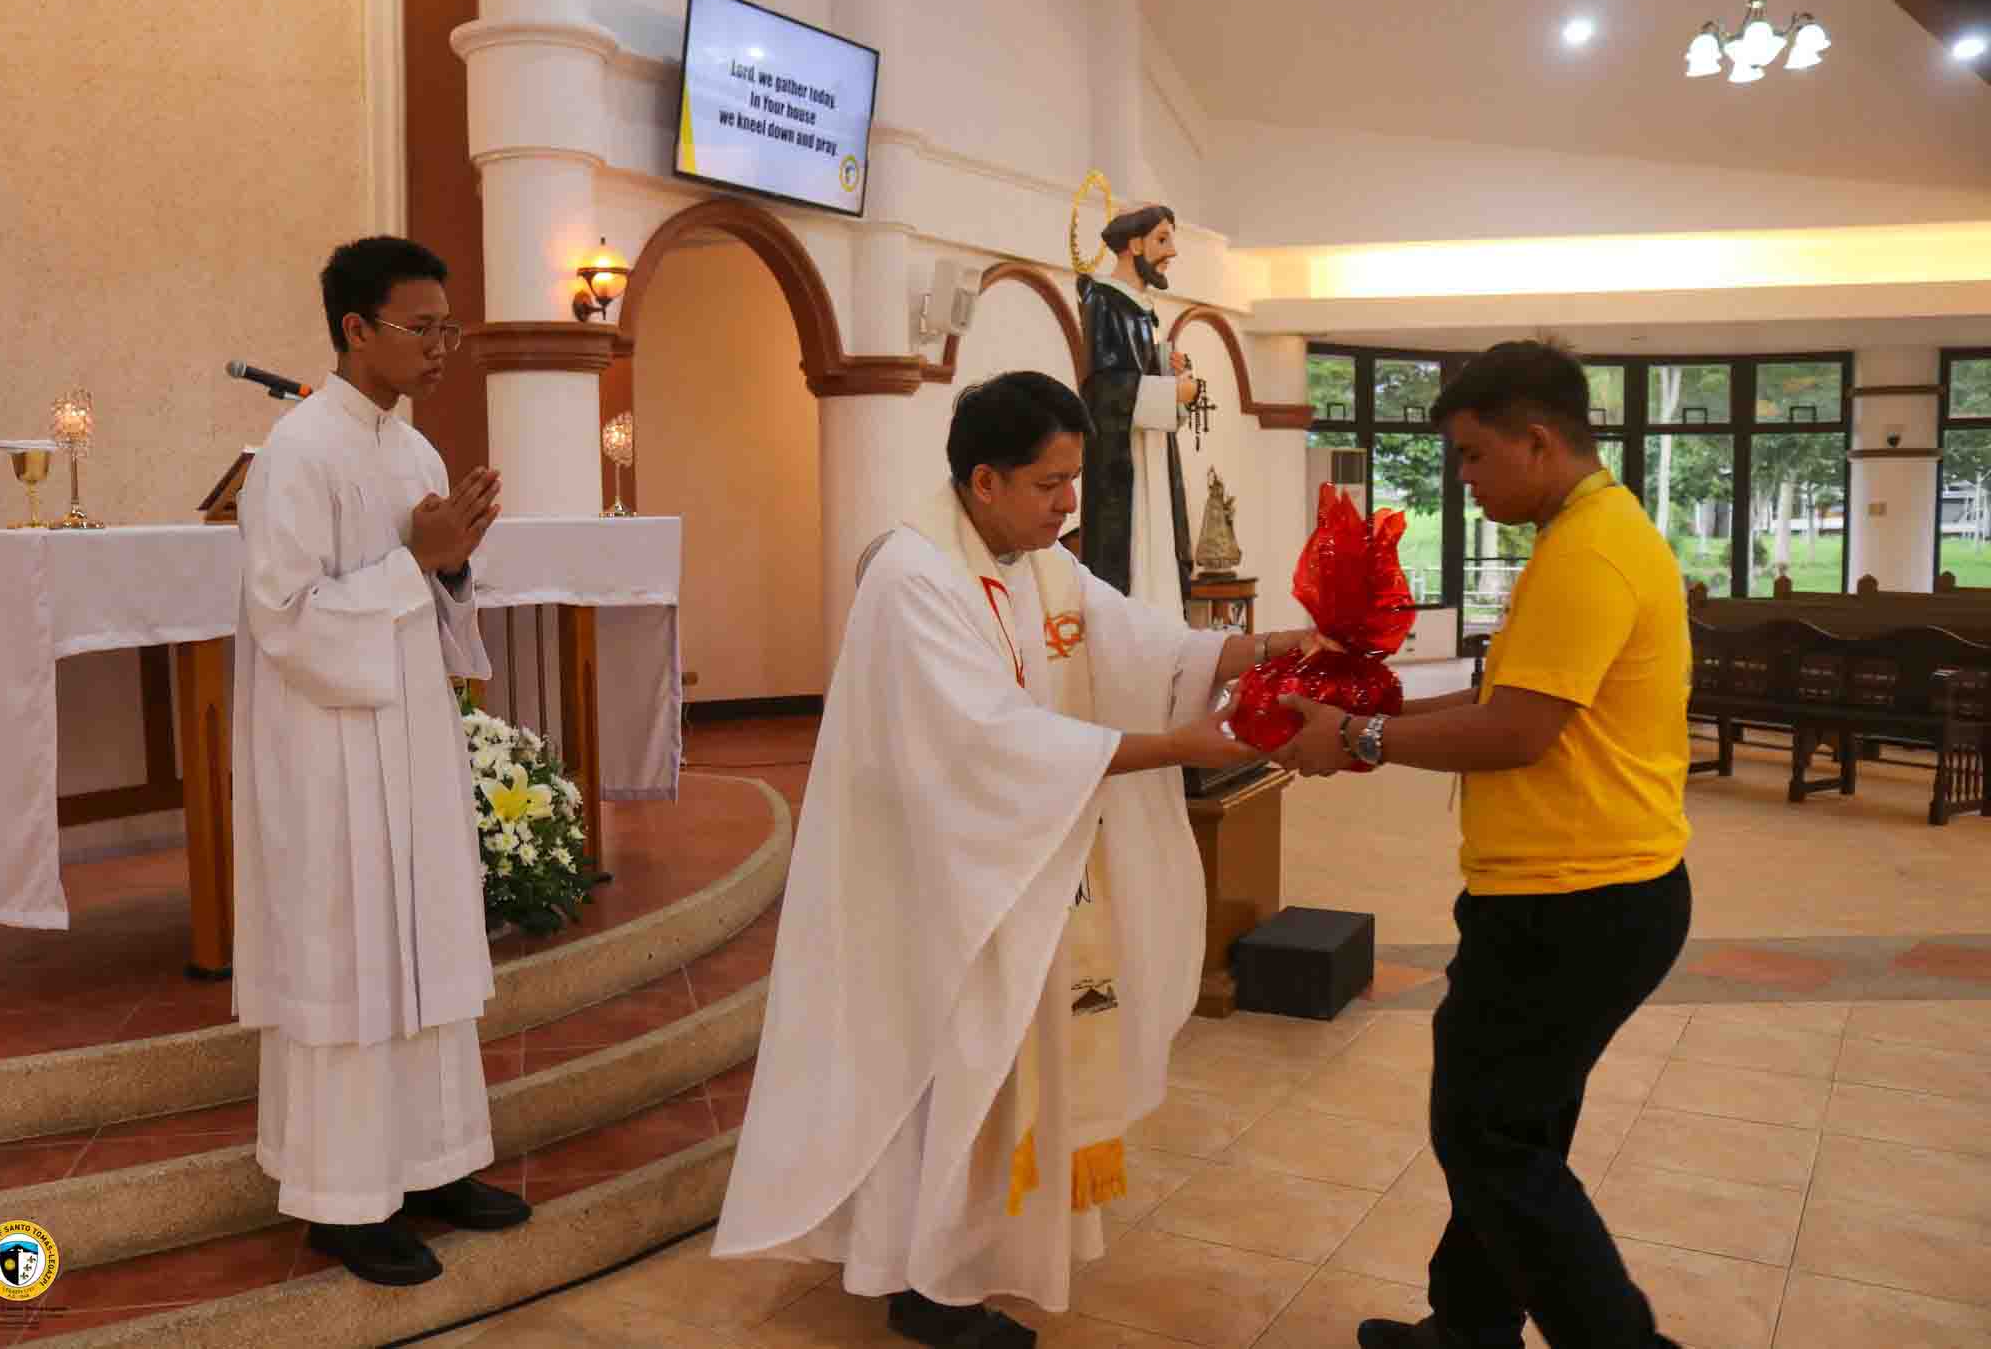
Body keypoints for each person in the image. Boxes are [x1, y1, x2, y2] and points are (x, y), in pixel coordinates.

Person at [713, 371, 1325, 1347]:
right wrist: (1175, 747)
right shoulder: (915, 578)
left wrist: (1272, 649)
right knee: (957, 1069)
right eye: (1050, 483)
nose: (1067, 502)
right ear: (985, 479)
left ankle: (979, 1258)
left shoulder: (1040, 563)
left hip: (1018, 864)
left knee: (1012, 1071)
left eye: (1073, 479)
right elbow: (983, 742)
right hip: (938, 881)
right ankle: (927, 1286)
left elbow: (1147, 646)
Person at [1272, 341, 1690, 1349]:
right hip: (1584, 890)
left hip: (1575, 902)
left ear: (1536, 441)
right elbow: (1507, 696)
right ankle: (1468, 1328)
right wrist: (1371, 714)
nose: (1461, 478)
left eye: (1471, 454)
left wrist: (1359, 740)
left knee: (1489, 1137)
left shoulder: (1586, 553)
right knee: (1511, 1132)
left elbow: (1515, 733)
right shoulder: (1590, 531)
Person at [232, 235, 529, 1287]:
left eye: (450, 327)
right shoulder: (296, 453)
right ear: (356, 329)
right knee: (350, 958)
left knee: (426, 945)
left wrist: (449, 572)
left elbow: (434, 606)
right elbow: (285, 619)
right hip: (332, 754)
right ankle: (343, 1201)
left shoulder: (416, 453)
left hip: (409, 736)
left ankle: (434, 1161)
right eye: (423, 327)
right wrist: (420, 563)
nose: (442, 346)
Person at [1076, 204, 1198, 610]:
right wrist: (1172, 393)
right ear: (1134, 245)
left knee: (1159, 561)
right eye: (1162, 239)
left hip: (1152, 458)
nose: (1172, 251)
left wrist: (1169, 372)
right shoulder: (1103, 301)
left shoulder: (1142, 308)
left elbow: (1137, 376)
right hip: (1123, 471)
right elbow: (1103, 391)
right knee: (1134, 570)